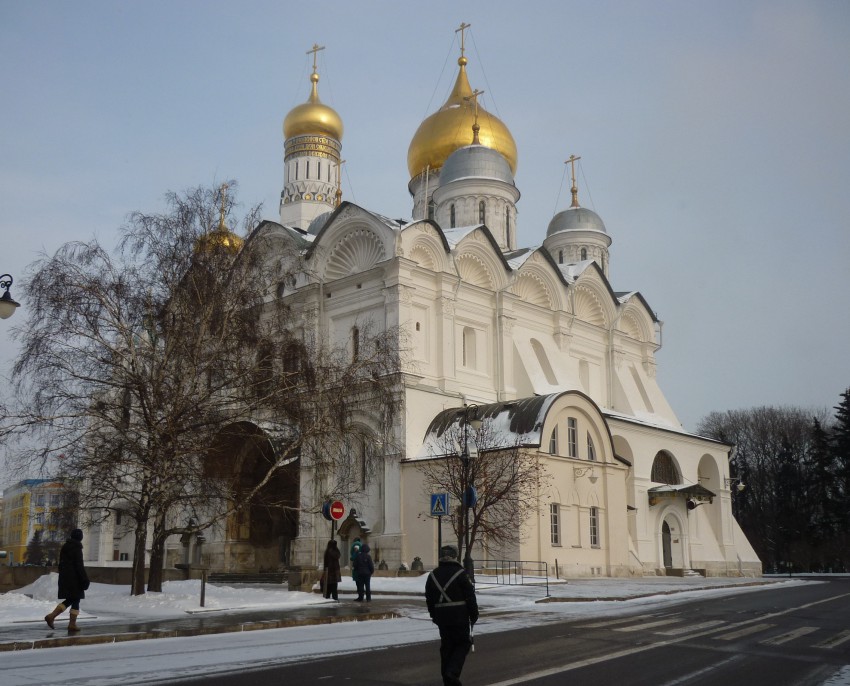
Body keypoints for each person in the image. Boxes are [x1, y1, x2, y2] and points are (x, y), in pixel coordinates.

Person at [425, 545, 479, 686]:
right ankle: (452, 673)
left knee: (447, 647)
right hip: (459, 615)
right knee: (463, 644)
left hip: (442, 617)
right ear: (455, 557)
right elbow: (470, 596)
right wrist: (474, 615)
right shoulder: (461, 573)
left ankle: (447, 680)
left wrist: (434, 616)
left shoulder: (432, 575)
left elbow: (429, 599)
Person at [44, 528, 90, 632]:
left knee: (72, 599)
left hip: (65, 578)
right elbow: (79, 566)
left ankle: (55, 618)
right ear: (80, 537)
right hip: (75, 580)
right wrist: (85, 579)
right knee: (75, 599)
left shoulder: (65, 547)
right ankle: (68, 623)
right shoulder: (77, 548)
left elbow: (62, 564)